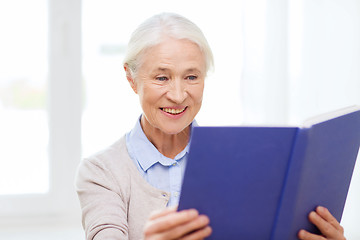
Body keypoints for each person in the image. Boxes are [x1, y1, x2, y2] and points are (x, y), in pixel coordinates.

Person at [76, 12, 346, 240]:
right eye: (162, 77)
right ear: (131, 78)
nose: (179, 95)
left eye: (191, 76)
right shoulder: (101, 172)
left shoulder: (242, 160)